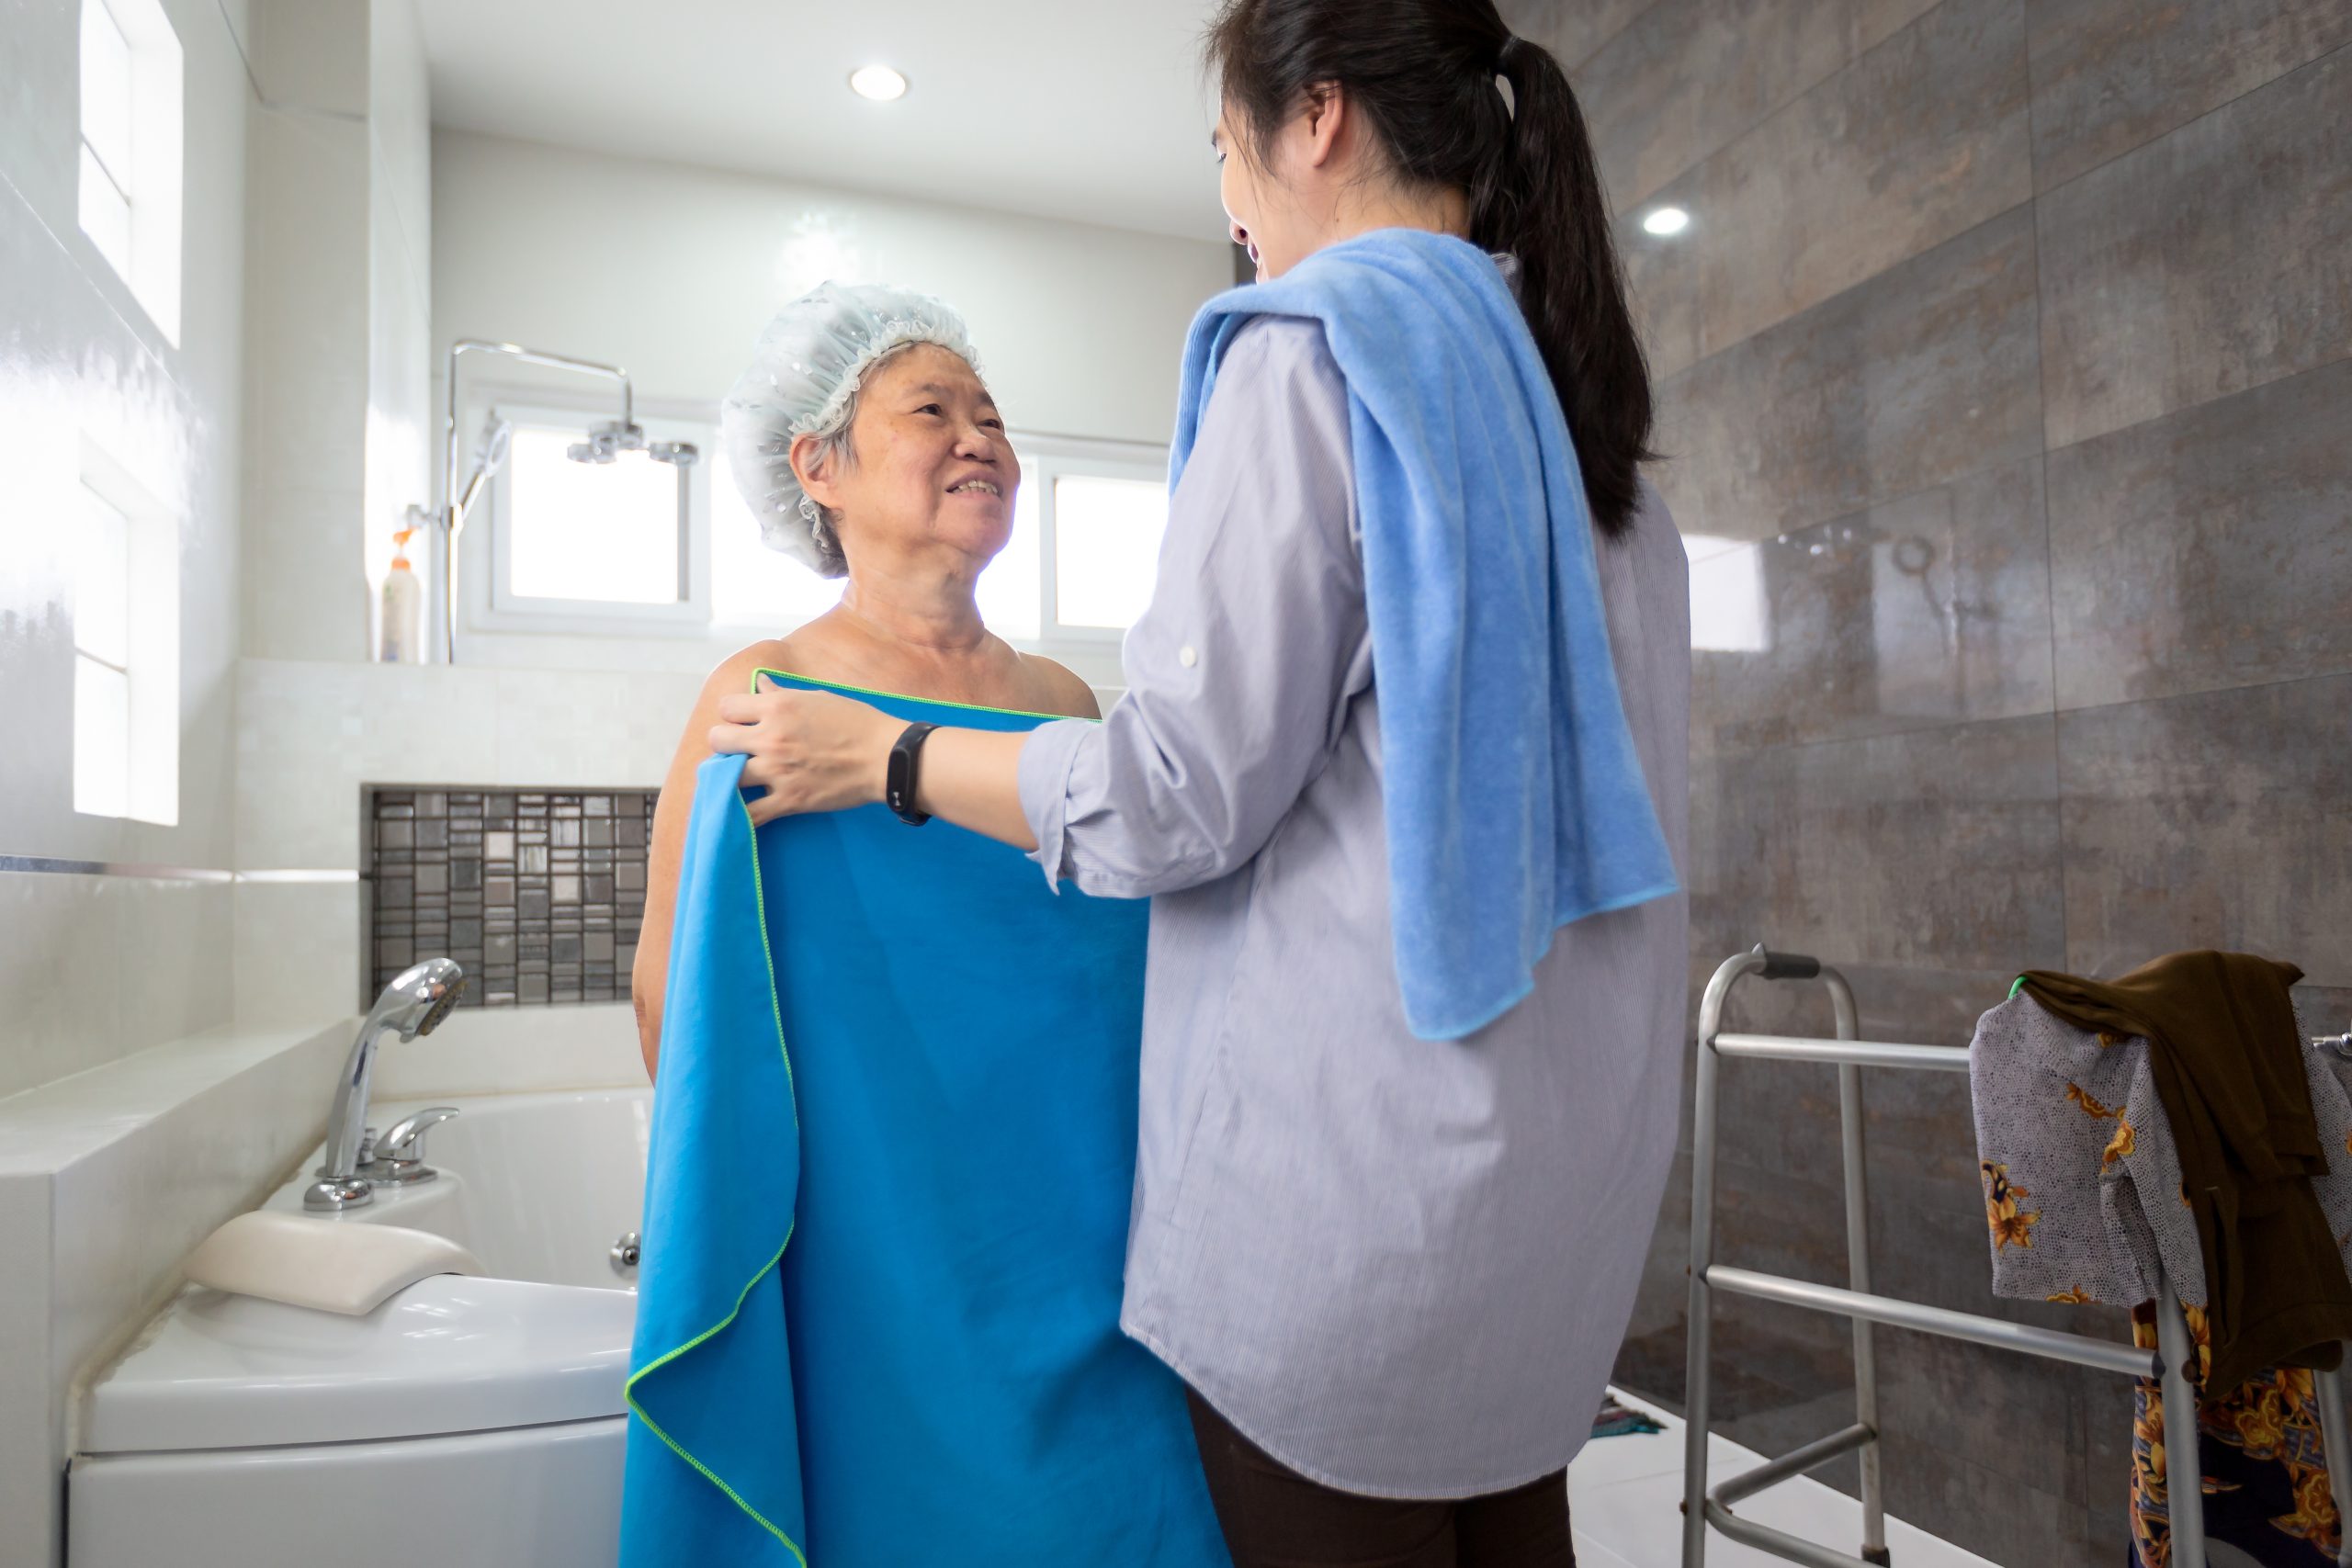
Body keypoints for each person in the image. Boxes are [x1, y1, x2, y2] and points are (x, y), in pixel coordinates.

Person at [699, 5, 1693, 1564]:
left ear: (1317, 121)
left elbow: (1165, 796)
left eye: (1225, 150)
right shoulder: (1585, 425)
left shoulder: (1311, 353)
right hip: (1554, 1220)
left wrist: (890, 760)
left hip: (1355, 1229)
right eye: (928, 410)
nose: (1229, 207)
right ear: (814, 470)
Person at [630, 282, 1096, 1075]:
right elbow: (670, 994)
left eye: (991, 420)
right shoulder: (765, 689)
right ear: (819, 467)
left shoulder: (1063, 700)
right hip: (863, 1175)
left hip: (1069, 1143)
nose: (978, 439)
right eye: (931, 413)